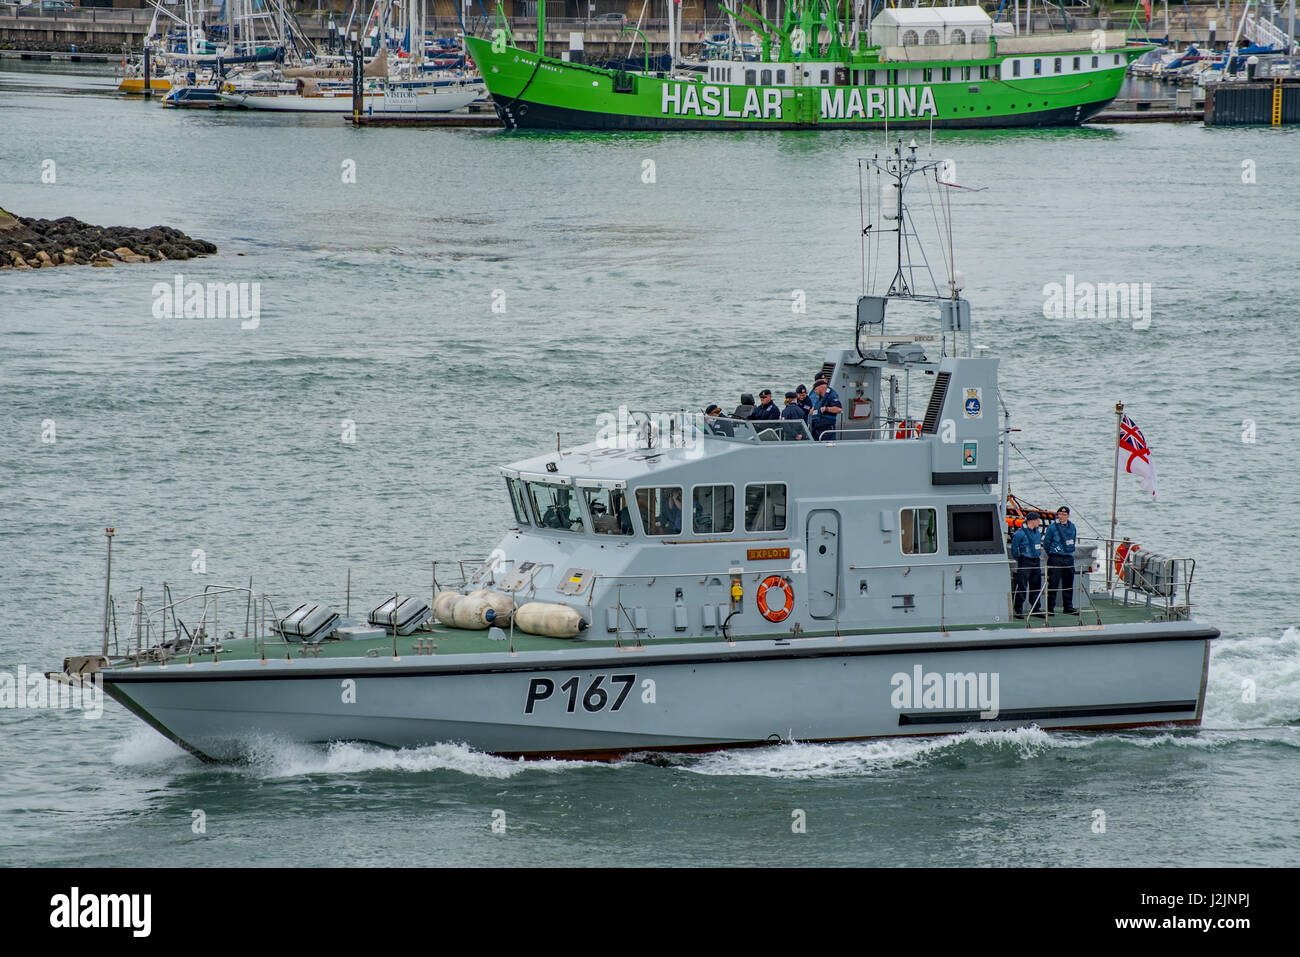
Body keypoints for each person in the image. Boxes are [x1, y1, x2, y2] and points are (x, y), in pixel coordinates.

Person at [1042, 505, 1078, 615]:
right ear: (1057, 515)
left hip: (1068, 558)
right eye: (1060, 514)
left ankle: (1068, 607)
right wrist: (1053, 554)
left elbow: (1073, 540)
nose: (1062, 516)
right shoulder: (1052, 528)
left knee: (1068, 584)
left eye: (1064, 514)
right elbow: (1046, 544)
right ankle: (1050, 608)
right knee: (1053, 584)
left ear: (1068, 515)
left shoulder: (1072, 527)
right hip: (1055, 558)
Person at [1010, 513, 1043, 618]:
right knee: (1022, 585)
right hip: (1025, 560)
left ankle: (1035, 608)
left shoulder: (1037, 532)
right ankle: (1018, 609)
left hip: (1036, 561)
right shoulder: (1019, 534)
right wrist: (1019, 558)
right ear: (1032, 520)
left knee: (1036, 585)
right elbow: (1014, 549)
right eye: (1038, 520)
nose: (1039, 522)